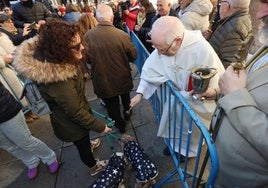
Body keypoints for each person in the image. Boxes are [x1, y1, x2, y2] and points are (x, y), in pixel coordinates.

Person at [12, 19, 112, 176]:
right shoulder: (58, 80)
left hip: (69, 119)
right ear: (59, 50)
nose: (82, 47)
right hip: (70, 124)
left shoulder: (57, 60)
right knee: (83, 147)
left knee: (83, 142)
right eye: (76, 46)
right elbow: (75, 111)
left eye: (81, 42)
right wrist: (101, 127)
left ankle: (87, 144)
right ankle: (93, 167)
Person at [130, 16, 225, 159]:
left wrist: (208, 92)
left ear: (178, 41)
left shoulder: (202, 49)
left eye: (162, 49)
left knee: (191, 132)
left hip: (194, 105)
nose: (159, 53)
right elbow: (151, 68)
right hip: (175, 103)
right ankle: (175, 147)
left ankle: (188, 153)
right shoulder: (165, 45)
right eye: (157, 48)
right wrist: (140, 92)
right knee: (174, 128)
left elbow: (216, 83)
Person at [196, 0, 268, 186]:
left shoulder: (237, 24)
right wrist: (220, 92)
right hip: (224, 169)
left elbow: (239, 92)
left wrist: (234, 95)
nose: (260, 15)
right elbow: (248, 86)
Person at [83, 4, 137, 134]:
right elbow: (133, 55)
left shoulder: (88, 36)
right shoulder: (121, 34)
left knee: (111, 106)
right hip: (121, 75)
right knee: (125, 98)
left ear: (96, 18)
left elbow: (87, 58)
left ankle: (120, 125)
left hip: (103, 79)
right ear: (112, 18)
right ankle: (127, 112)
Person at [0, 80, 59, 180]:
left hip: (5, 110)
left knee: (25, 141)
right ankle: (31, 161)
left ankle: (49, 157)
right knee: (9, 146)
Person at [203, 0, 253, 68]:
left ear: (226, 6)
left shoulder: (234, 28)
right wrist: (210, 39)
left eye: (220, 3)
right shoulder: (242, 19)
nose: (219, 6)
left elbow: (229, 65)